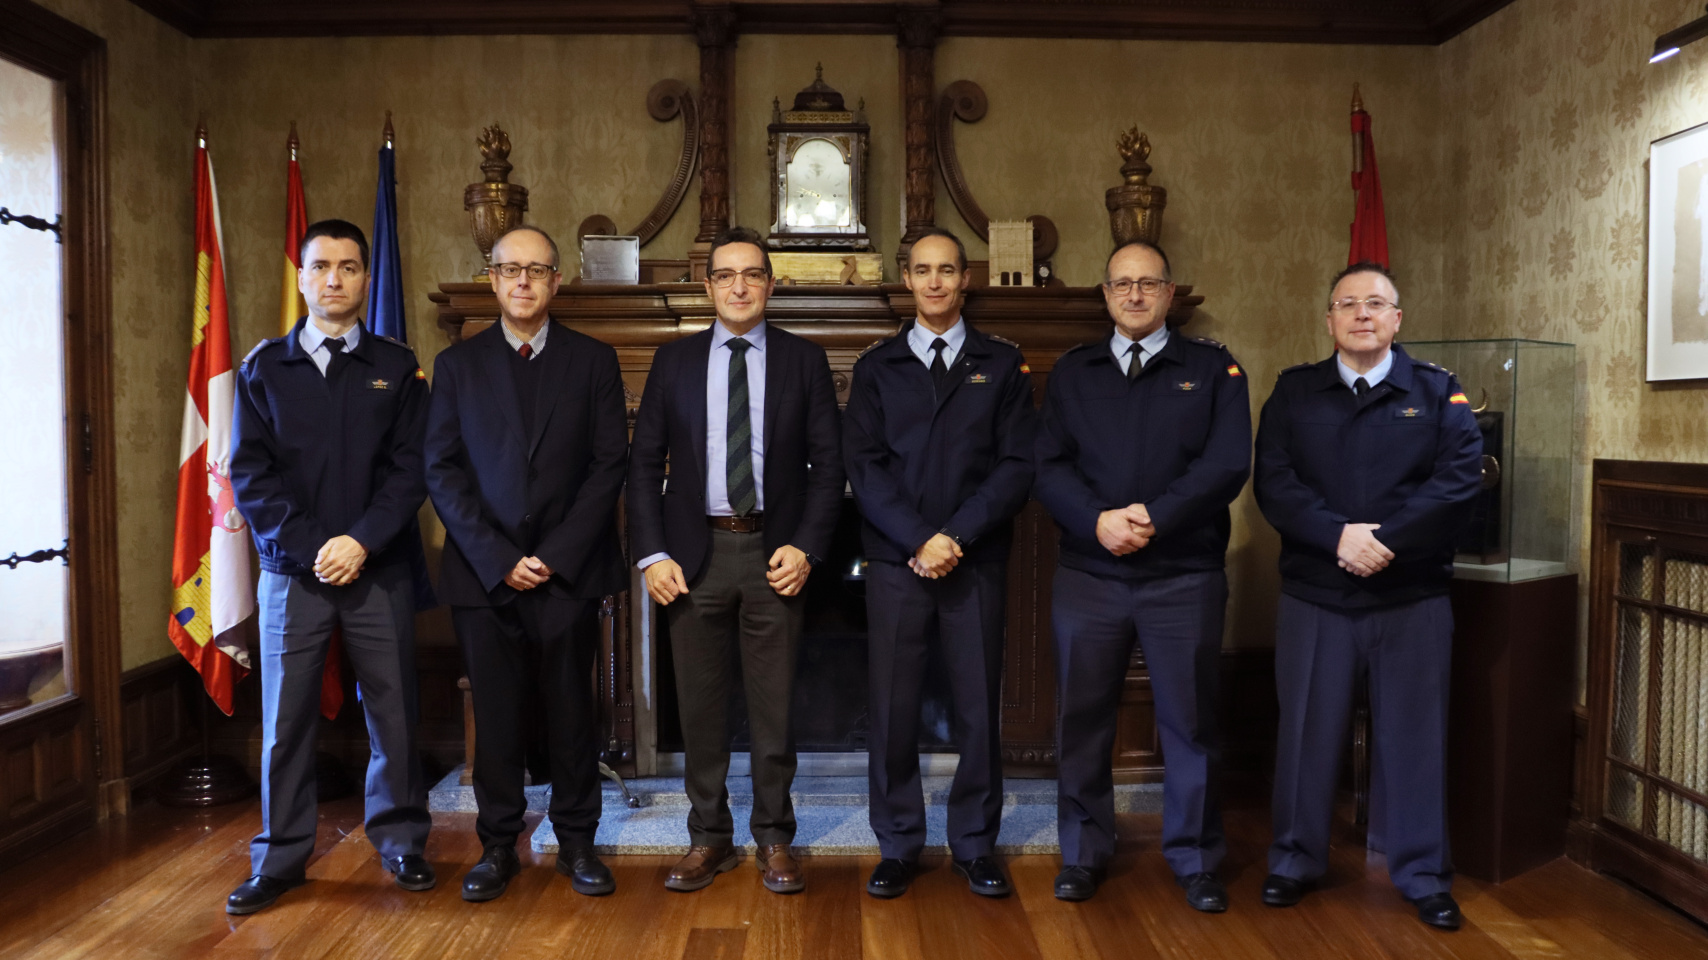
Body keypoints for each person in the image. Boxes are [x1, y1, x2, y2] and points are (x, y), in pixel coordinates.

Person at [1253, 262, 1481, 931]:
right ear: (1328, 320)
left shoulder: (1438, 393)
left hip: (1410, 595)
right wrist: (1336, 538)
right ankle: (1293, 861)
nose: (1361, 314)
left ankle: (1422, 874)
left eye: (1375, 303)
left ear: (1397, 320)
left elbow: (1459, 479)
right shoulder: (1294, 393)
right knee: (1305, 737)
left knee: (1415, 738)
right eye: (1347, 304)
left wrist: (1385, 541)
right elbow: (1275, 482)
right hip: (1317, 595)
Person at [1034, 240, 1251, 907]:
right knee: (1083, 721)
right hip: (1089, 575)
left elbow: (1225, 464)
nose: (1134, 295)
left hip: (1181, 575)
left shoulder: (1215, 370)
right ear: (1104, 294)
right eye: (1121, 284)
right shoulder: (1073, 373)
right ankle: (1083, 853)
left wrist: (1154, 516)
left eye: (1148, 284)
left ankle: (1195, 858)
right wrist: (1098, 520)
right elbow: (1047, 465)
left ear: (1171, 293)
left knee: (1190, 723)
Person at [627, 226, 844, 894]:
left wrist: (806, 547)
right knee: (701, 710)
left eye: (753, 274)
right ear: (709, 285)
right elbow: (642, 466)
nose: (741, 286)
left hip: (774, 555)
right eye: (727, 275)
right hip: (693, 559)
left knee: (774, 710)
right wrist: (651, 554)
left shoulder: (805, 361)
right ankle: (708, 839)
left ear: (770, 285)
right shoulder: (675, 362)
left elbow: (828, 466)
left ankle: (776, 839)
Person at [226, 219, 433, 914]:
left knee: (394, 715)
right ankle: (281, 857)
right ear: (303, 277)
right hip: (293, 573)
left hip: (378, 569)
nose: (335, 279)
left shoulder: (397, 368)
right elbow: (250, 477)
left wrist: (361, 543)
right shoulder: (263, 369)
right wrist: (318, 545)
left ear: (366, 279)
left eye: (349, 267)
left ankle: (402, 843)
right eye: (322, 266)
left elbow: (412, 473)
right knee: (286, 722)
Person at [425, 225, 629, 902]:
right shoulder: (457, 366)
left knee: (575, 714)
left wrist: (554, 555)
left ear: (556, 282)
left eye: (536, 270)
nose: (522, 282)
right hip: (486, 577)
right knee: (500, 717)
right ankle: (496, 847)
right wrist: (501, 557)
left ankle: (577, 843)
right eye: (510, 270)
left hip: (569, 574)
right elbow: (443, 469)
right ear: (491, 278)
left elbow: (608, 468)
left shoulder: (595, 361)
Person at [842, 229, 1036, 899]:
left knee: (979, 706)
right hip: (897, 564)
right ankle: (898, 844)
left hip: (974, 559)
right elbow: (863, 470)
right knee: (893, 707)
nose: (933, 282)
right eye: (921, 270)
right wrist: (919, 540)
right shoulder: (877, 367)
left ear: (964, 280)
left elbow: (1016, 467)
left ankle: (974, 845)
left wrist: (954, 536)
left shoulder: (1002, 365)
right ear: (905, 278)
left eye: (946, 270)